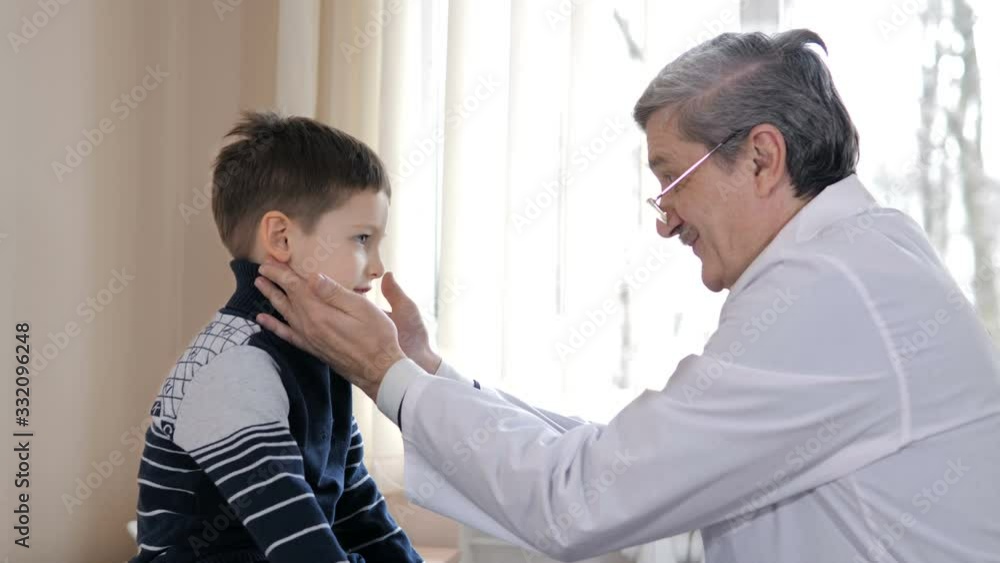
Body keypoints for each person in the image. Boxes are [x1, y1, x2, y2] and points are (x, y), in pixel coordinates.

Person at [253, 30, 1000, 563]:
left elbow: (583, 498)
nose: (664, 218)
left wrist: (388, 375)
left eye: (672, 178)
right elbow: (621, 459)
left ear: (762, 157)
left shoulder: (830, 296)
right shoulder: (857, 261)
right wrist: (426, 373)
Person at [131, 112, 422, 563]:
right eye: (362, 238)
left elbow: (357, 511)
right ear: (281, 238)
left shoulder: (317, 355)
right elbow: (299, 543)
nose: (378, 267)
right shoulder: (234, 366)